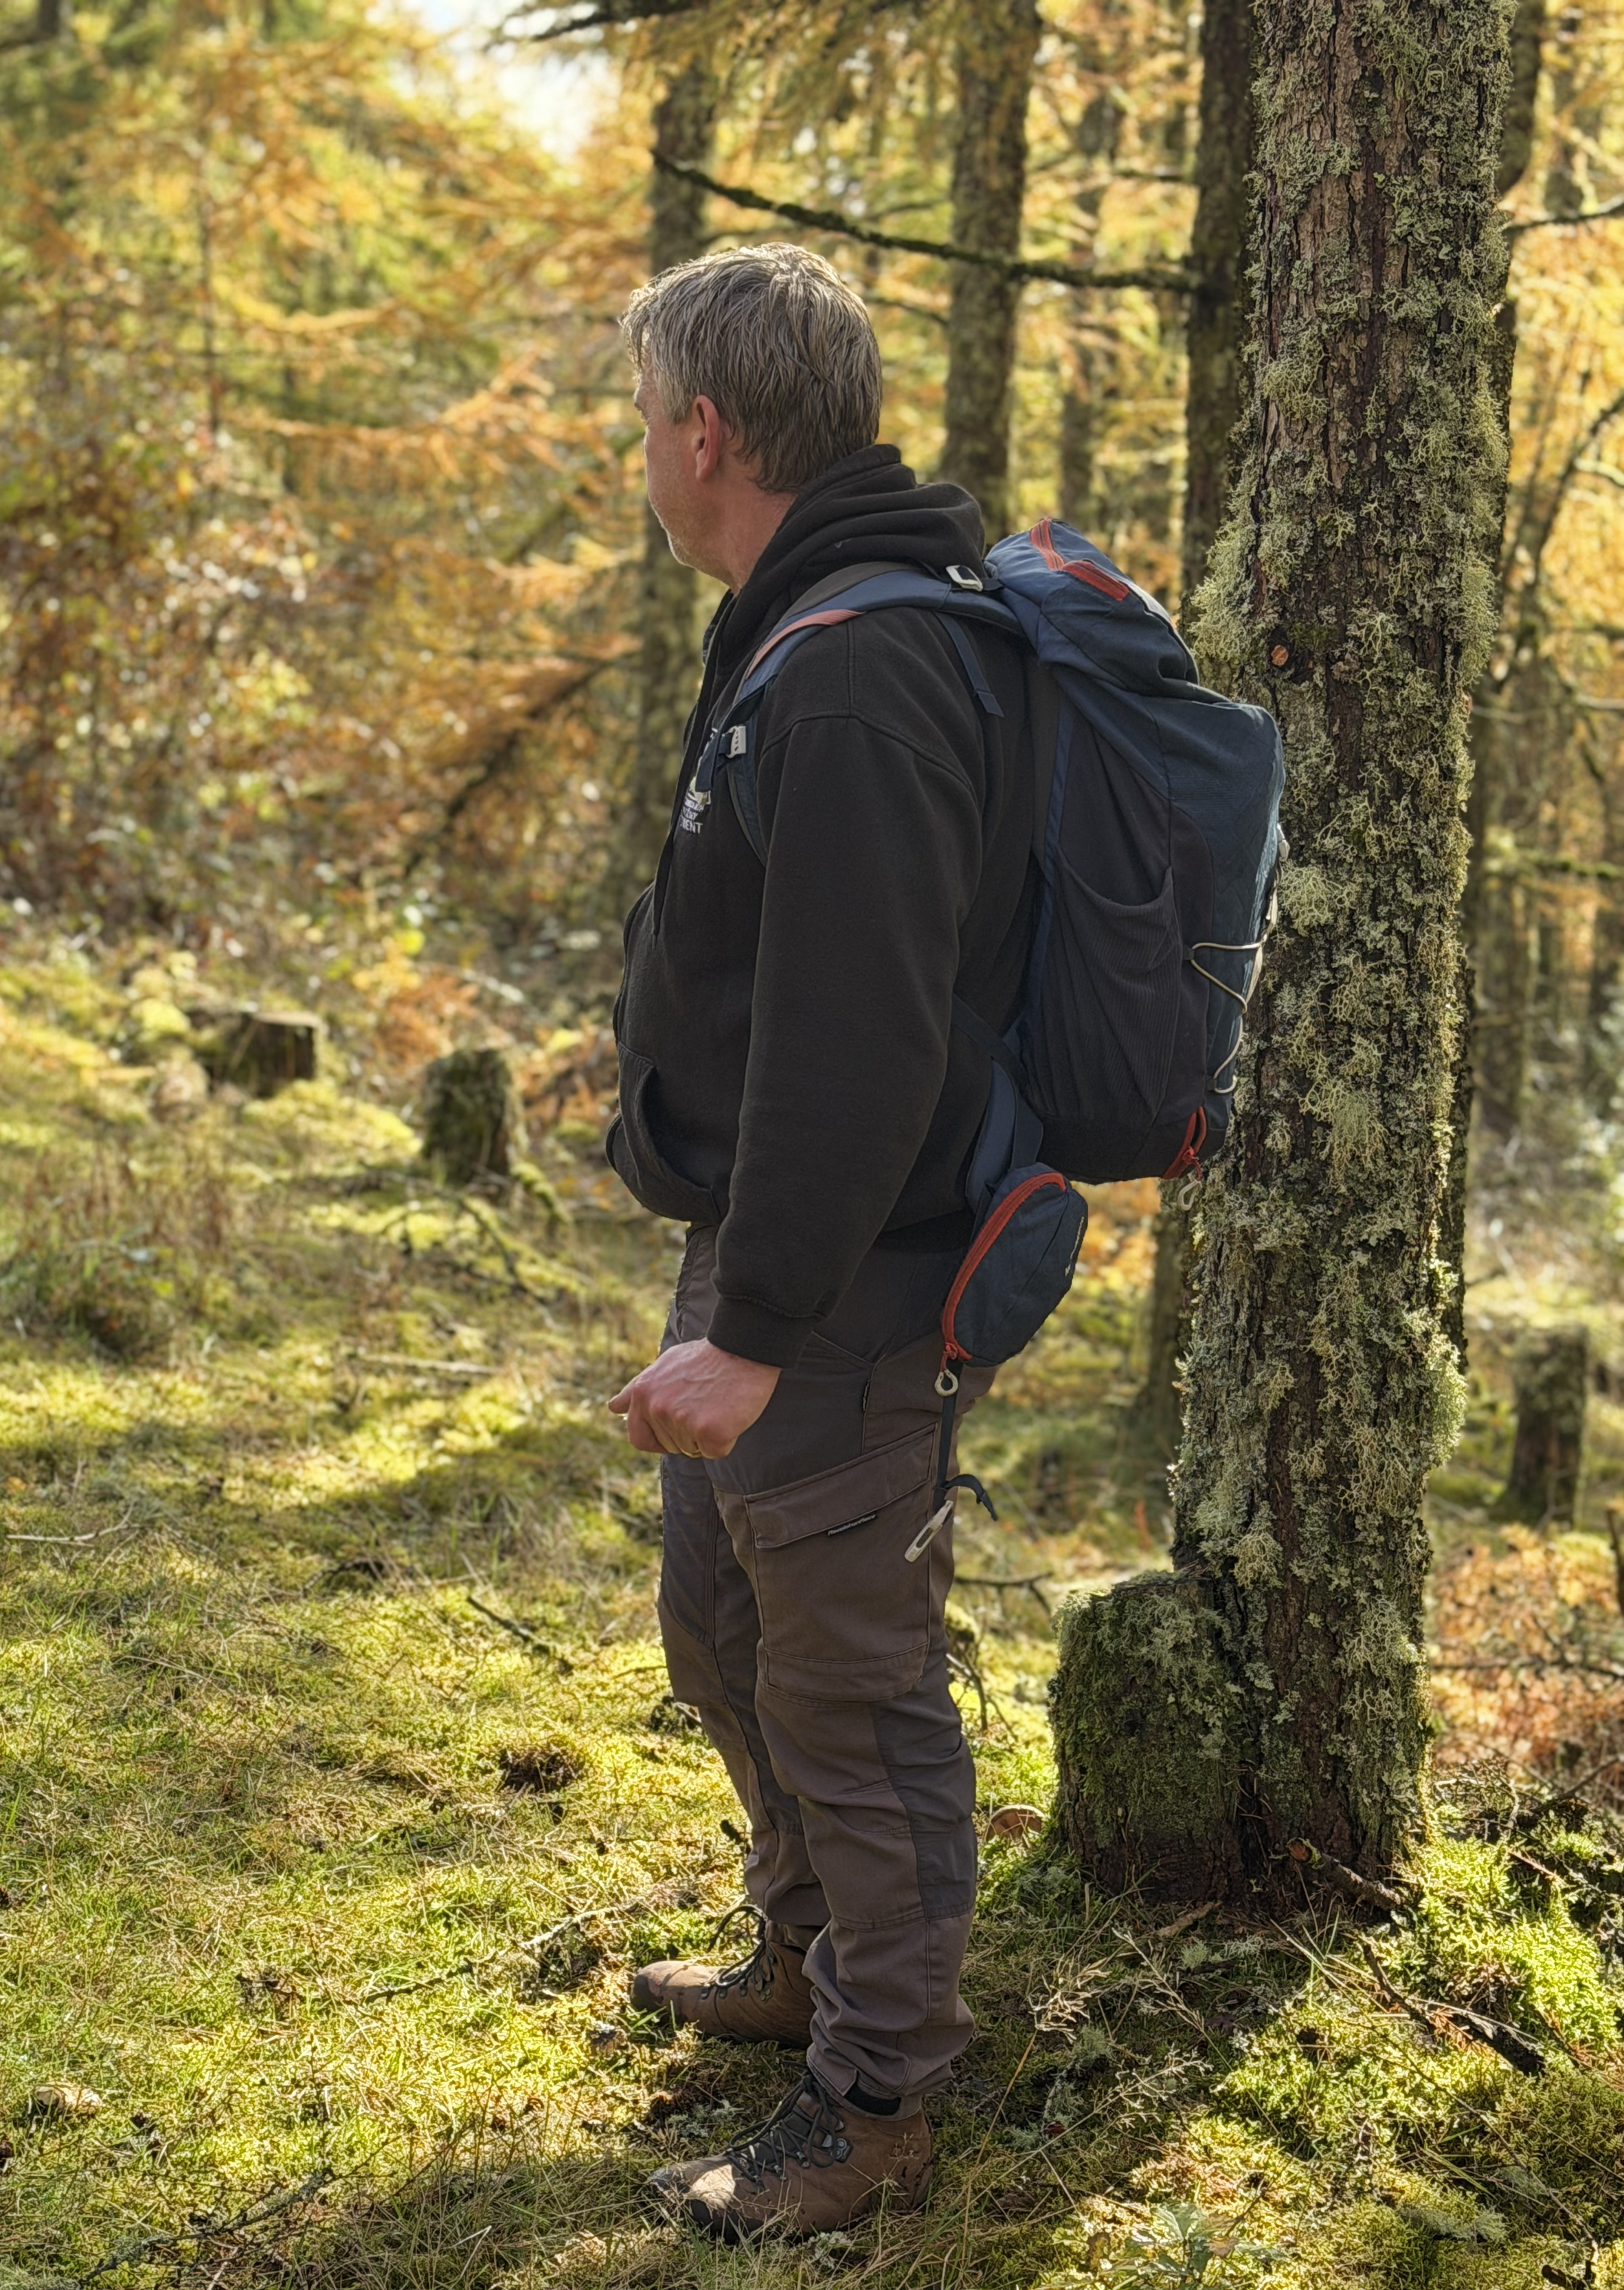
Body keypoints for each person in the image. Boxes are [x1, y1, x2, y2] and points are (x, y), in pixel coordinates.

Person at [604, 242, 1039, 2241]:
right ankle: (804, 1955)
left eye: (640, 422)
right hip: (776, 1246)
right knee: (722, 1628)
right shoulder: (816, 623)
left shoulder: (859, 663)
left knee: (850, 1689)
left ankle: (871, 2093)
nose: (640, 459)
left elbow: (859, 1033)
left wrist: (760, 1325)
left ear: (705, 430)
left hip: (853, 1280)